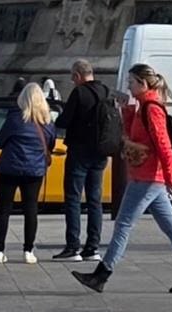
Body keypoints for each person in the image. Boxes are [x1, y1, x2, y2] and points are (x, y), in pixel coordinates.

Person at [77, 65, 172, 294]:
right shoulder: (143, 107)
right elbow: (135, 135)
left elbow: (163, 145)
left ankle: (101, 274)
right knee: (171, 227)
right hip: (148, 176)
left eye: (131, 82)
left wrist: (171, 177)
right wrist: (126, 110)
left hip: (148, 177)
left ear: (143, 83)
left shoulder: (152, 108)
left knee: (123, 224)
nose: (128, 86)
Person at [52, 60, 122, 264]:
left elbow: (64, 121)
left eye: (73, 77)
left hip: (80, 151)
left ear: (78, 75)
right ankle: (93, 247)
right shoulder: (106, 91)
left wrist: (56, 119)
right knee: (94, 200)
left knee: (73, 198)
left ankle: (73, 246)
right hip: (101, 152)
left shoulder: (79, 93)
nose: (73, 81)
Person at [0, 80, 54, 265]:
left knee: (4, 209)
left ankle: (0, 251)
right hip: (34, 171)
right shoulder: (47, 122)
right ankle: (28, 251)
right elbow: (50, 145)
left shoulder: (13, 119)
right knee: (31, 210)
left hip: (9, 169)